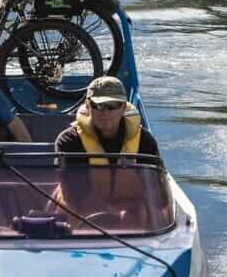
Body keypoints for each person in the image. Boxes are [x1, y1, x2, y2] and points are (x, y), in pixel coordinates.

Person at [53, 75, 164, 229]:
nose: (105, 112)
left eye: (112, 105)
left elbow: (158, 196)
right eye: (98, 105)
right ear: (87, 106)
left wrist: (136, 211)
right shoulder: (69, 141)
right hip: (81, 216)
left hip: (131, 213)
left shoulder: (145, 141)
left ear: (124, 107)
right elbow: (75, 195)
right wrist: (112, 215)